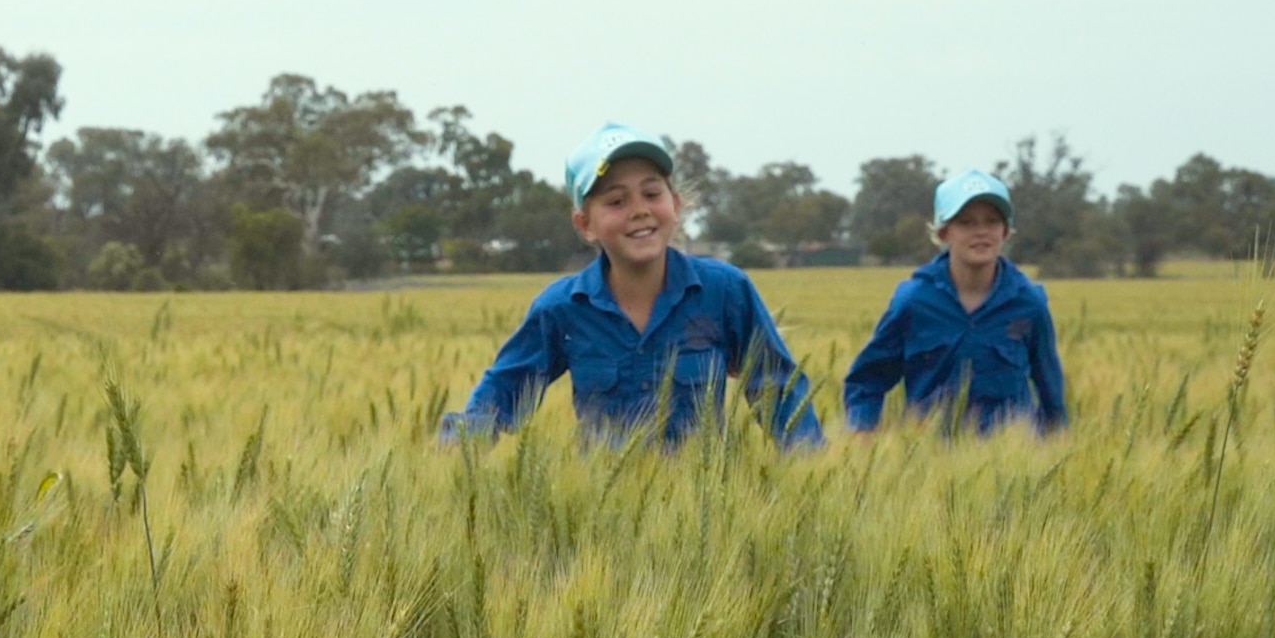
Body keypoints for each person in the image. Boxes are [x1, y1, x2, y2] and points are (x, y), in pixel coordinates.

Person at [439, 124, 823, 448]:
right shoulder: (561, 308)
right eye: (617, 200)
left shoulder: (725, 291)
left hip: (708, 517)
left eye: (652, 194)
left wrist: (810, 472)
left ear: (674, 204)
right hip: (601, 523)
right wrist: (458, 447)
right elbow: (505, 389)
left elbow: (777, 389)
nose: (639, 209)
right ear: (585, 223)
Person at [842, 169, 1069, 434]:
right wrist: (862, 432)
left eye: (992, 221)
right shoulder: (914, 301)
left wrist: (1054, 451)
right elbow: (867, 380)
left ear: (1005, 231)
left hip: (1010, 465)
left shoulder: (1029, 303)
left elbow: (1051, 394)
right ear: (943, 233)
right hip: (929, 462)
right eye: (966, 222)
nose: (981, 231)